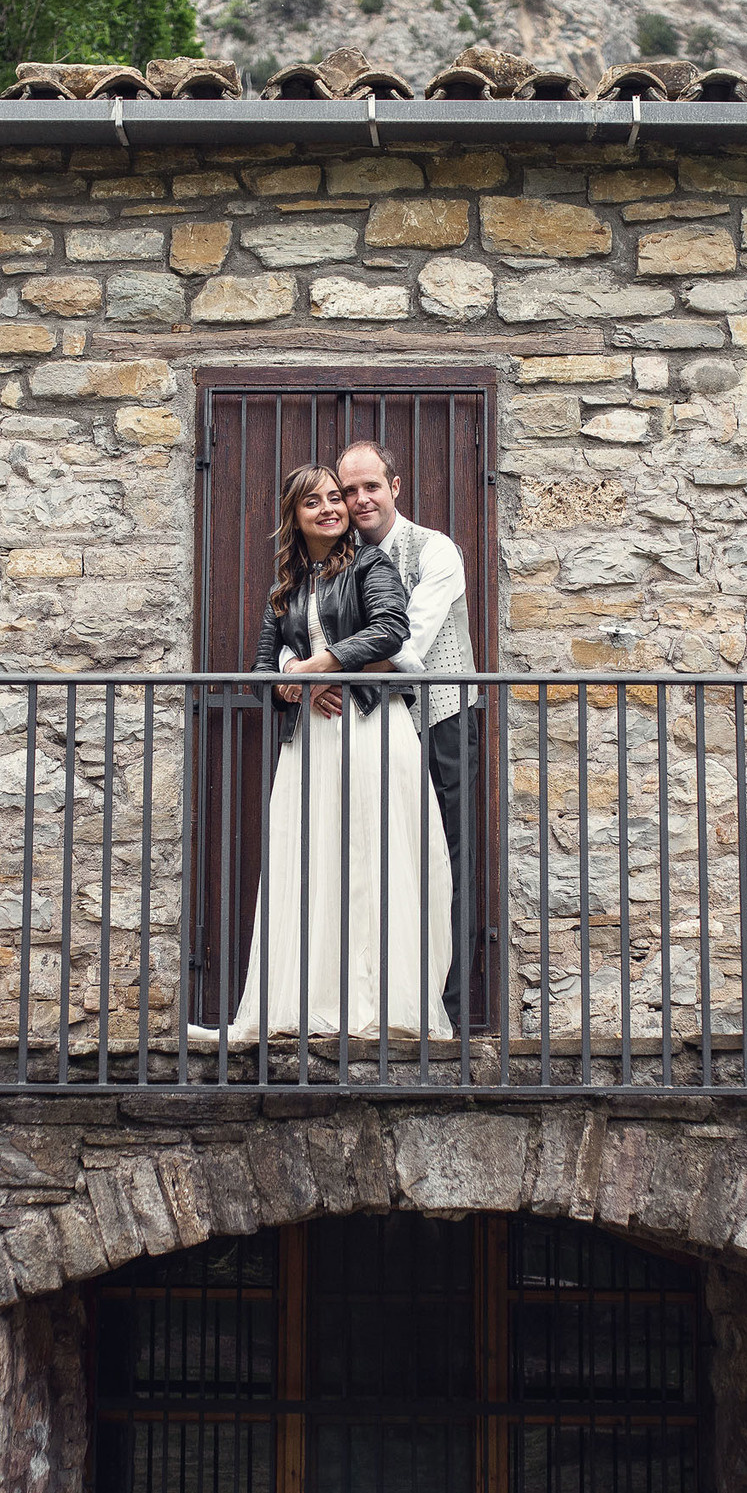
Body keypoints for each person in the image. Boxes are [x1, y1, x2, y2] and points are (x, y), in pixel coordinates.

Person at [201, 464, 455, 1044]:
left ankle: (384, 1005)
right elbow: (262, 671)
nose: (331, 508)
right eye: (312, 501)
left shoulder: (371, 565)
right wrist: (295, 682)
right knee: (314, 862)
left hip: (370, 725)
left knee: (375, 857)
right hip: (311, 741)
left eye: (335, 498)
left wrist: (321, 664)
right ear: (294, 516)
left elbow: (391, 630)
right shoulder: (285, 588)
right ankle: (309, 1002)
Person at [336, 440, 482, 1030]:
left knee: (450, 859)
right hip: (373, 725)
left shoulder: (435, 549)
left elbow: (408, 646)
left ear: (394, 487)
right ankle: (384, 1001)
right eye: (349, 490)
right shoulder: (339, 560)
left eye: (371, 486)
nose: (360, 499)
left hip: (442, 719)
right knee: (378, 857)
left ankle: (449, 1013)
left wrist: (322, 669)